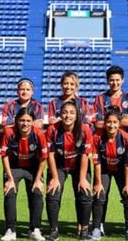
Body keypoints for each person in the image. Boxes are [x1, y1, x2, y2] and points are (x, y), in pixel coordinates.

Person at [46, 100, 93, 241]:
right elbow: (50, 155)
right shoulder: (52, 130)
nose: (68, 116)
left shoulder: (84, 130)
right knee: (53, 194)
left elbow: (85, 155)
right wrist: (54, 177)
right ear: (60, 113)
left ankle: (84, 229)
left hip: (79, 165)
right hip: (59, 165)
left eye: (72, 113)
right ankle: (53, 230)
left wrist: (83, 178)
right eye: (65, 112)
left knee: (84, 193)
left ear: (77, 115)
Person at [0, 108, 47, 241]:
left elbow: (44, 158)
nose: (25, 124)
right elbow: (4, 156)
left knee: (37, 193)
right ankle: (10, 230)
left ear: (33, 122)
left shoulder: (39, 134)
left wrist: (38, 179)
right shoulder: (9, 133)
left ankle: (34, 229)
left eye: (28, 121)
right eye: (22, 120)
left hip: (33, 168)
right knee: (9, 192)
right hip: (14, 167)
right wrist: (9, 178)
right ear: (16, 121)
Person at [91, 106, 128, 241]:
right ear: (105, 123)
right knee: (99, 195)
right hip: (104, 168)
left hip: (122, 169)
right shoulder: (97, 138)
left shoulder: (127, 138)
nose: (111, 125)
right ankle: (97, 228)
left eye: (115, 122)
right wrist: (98, 183)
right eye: (109, 122)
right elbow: (97, 163)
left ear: (119, 123)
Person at [93, 65, 128, 131]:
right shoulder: (100, 98)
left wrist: (108, 120)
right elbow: (98, 124)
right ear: (107, 81)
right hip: (105, 139)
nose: (115, 83)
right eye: (112, 80)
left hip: (124, 138)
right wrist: (124, 118)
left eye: (117, 80)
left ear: (122, 80)